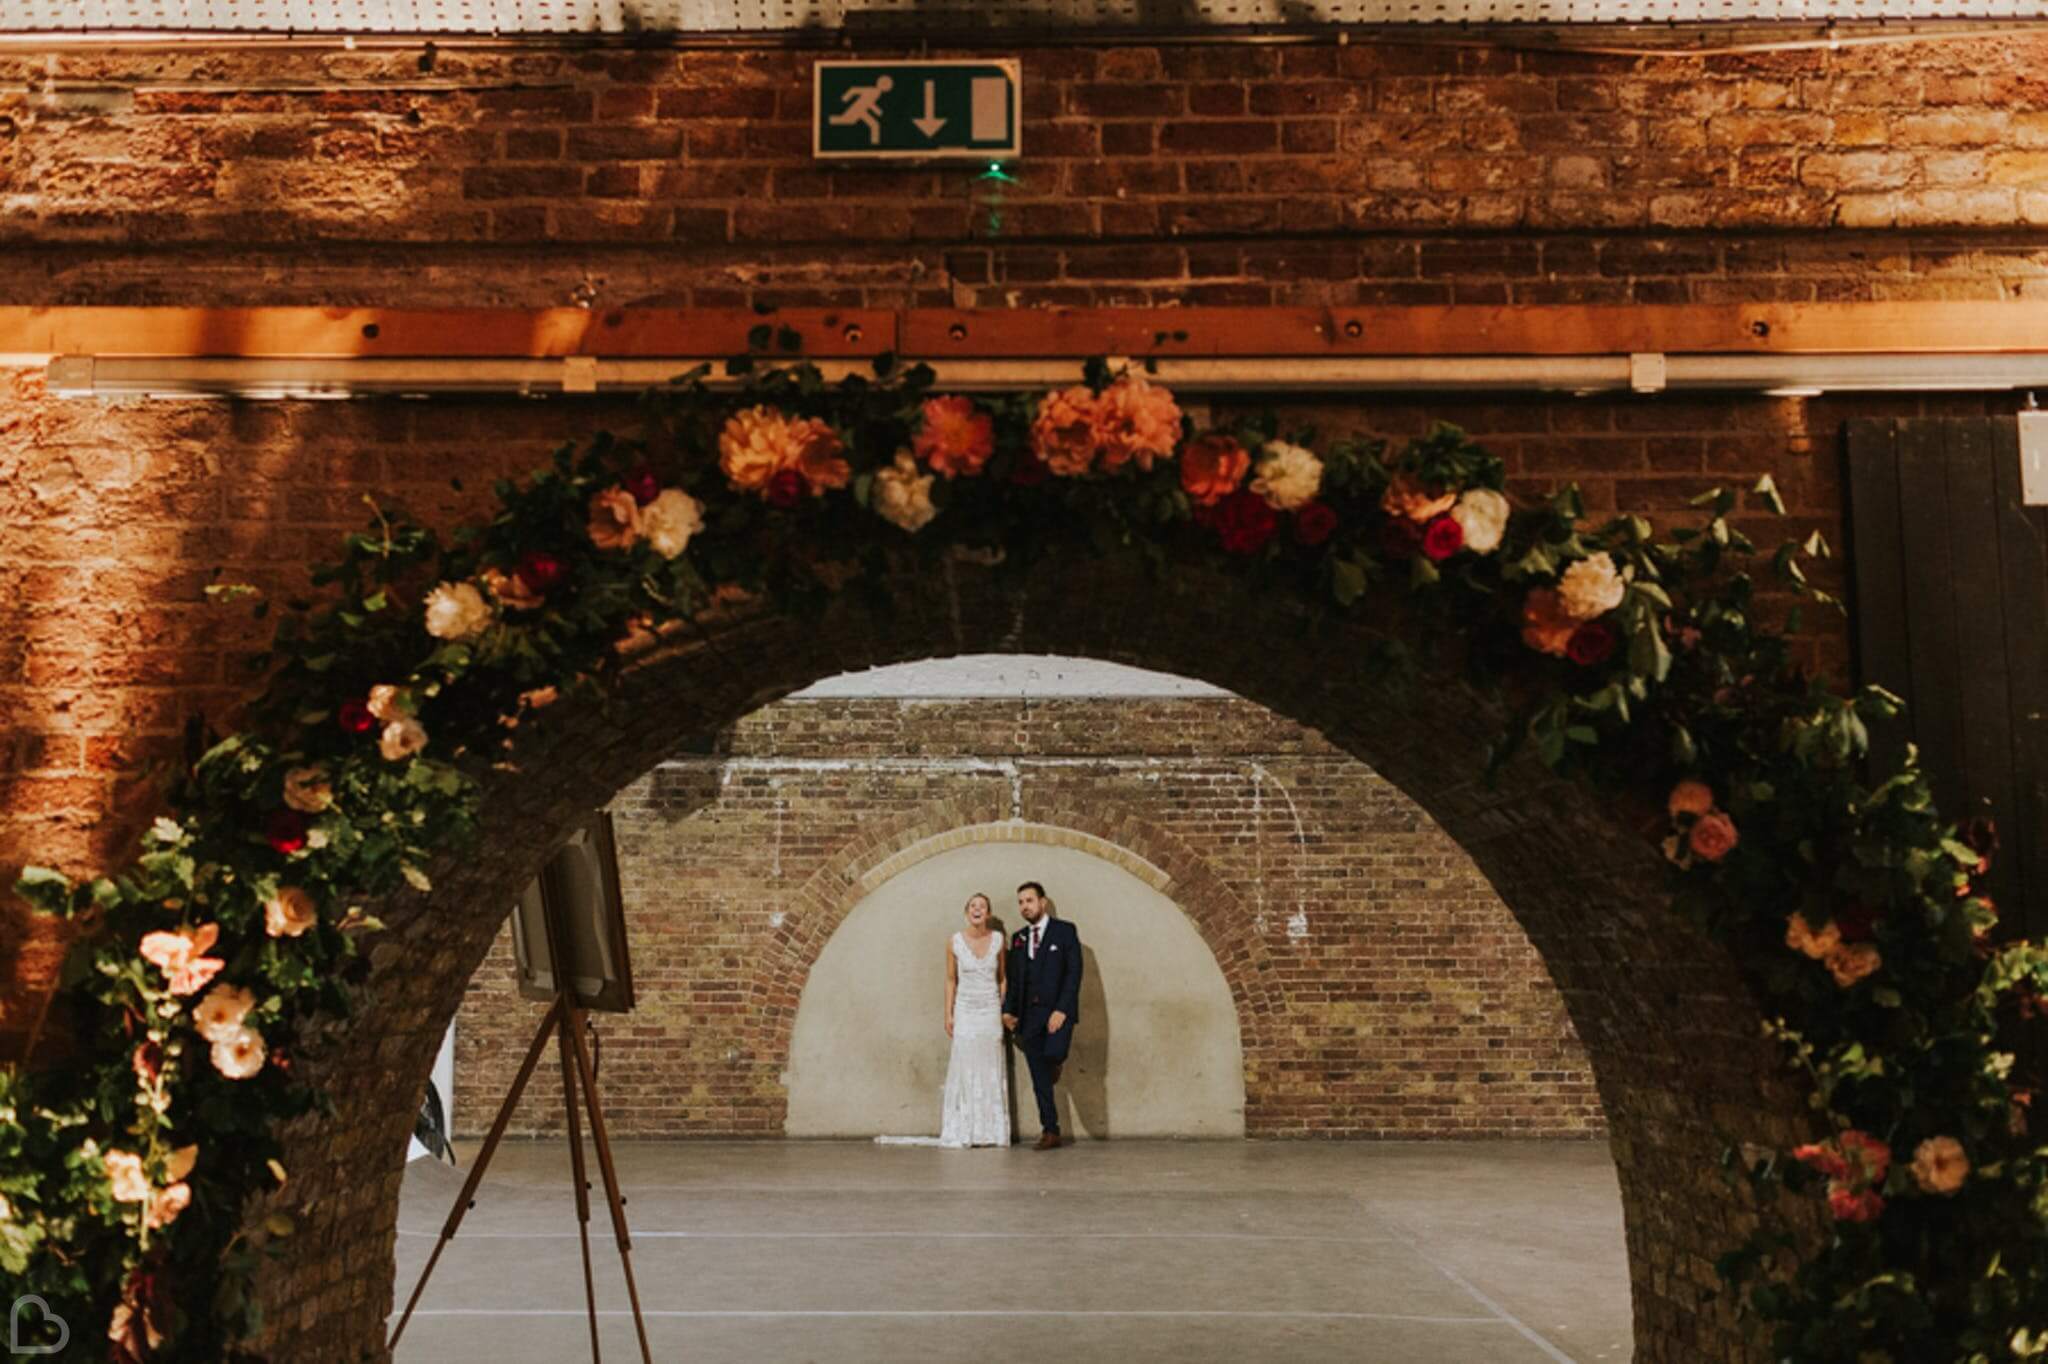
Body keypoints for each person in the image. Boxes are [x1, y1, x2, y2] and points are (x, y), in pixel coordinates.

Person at [1002, 881, 1082, 1150]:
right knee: (1039, 1080)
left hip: (1057, 1012)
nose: (1025, 906)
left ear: (1042, 902)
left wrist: (1061, 1009)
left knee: (1053, 1055)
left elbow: (1073, 974)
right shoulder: (1018, 937)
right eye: (1021, 902)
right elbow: (1014, 981)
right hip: (1029, 1017)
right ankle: (1051, 1130)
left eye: (1029, 901)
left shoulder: (1065, 931)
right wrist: (1008, 1011)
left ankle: (1055, 1062)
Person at [933, 892, 1010, 1148]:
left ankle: (991, 1132)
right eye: (973, 906)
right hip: (965, 1010)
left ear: (988, 914)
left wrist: (1002, 1008)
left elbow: (1002, 977)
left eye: (983, 906)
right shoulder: (954, 941)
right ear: (967, 912)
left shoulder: (998, 939)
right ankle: (964, 1129)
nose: (978, 909)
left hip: (990, 1011)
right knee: (966, 1068)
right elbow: (950, 979)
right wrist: (948, 1013)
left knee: (990, 1067)